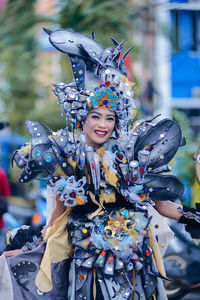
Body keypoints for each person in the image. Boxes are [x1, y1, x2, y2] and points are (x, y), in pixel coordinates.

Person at [1, 28, 200, 300]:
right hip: (88, 266)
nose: (103, 125)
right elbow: (57, 219)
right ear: (83, 118)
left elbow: (162, 204)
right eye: (96, 116)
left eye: (110, 118)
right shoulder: (69, 158)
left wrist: (191, 216)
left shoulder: (131, 156)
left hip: (134, 264)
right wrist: (31, 248)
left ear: (118, 121)